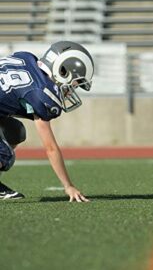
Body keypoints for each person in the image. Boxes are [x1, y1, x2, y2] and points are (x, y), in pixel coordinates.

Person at [0, 41, 94, 202]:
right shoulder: (41, 94)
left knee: (16, 132)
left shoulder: (27, 58)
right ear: (62, 71)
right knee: (4, 155)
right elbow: (50, 148)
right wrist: (68, 185)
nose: (72, 90)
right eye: (75, 84)